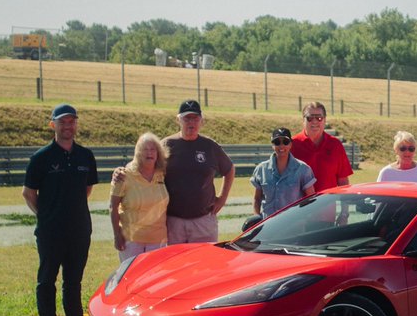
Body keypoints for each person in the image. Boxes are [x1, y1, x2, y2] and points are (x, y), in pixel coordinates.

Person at [21, 103, 98, 316]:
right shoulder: (41, 157)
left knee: (73, 281)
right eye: (62, 122)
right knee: (47, 280)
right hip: (50, 232)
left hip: (79, 229)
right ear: (52, 124)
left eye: (71, 121)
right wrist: (46, 216)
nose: (67, 126)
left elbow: (87, 189)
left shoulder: (86, 156)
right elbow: (28, 193)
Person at [157, 99, 234, 243]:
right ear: (178, 120)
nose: (191, 123)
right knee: (176, 257)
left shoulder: (209, 146)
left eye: (195, 118)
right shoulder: (166, 145)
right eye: (187, 118)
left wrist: (222, 198)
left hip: (204, 220)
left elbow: (229, 170)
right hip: (173, 221)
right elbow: (147, 167)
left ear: (201, 121)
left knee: (205, 257)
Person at [109, 132, 169, 261]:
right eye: (145, 149)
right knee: (132, 273)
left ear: (158, 153)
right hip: (131, 240)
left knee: (155, 273)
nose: (149, 153)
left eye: (153, 149)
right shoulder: (123, 175)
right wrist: (116, 235)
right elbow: (113, 207)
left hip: (158, 240)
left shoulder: (162, 174)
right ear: (138, 153)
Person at [244, 127, 316, 228]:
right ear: (272, 145)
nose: (281, 146)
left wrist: (304, 219)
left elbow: (311, 199)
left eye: (285, 142)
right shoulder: (261, 169)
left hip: (294, 226)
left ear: (290, 144)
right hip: (267, 226)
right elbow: (257, 198)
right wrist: (256, 218)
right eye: (277, 142)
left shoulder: (303, 169)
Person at [290, 101, 353, 192]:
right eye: (310, 118)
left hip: (329, 201)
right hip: (301, 201)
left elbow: (343, 181)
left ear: (325, 120)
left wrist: (345, 200)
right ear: (303, 120)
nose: (314, 121)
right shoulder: (292, 144)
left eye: (319, 118)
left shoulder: (335, 145)